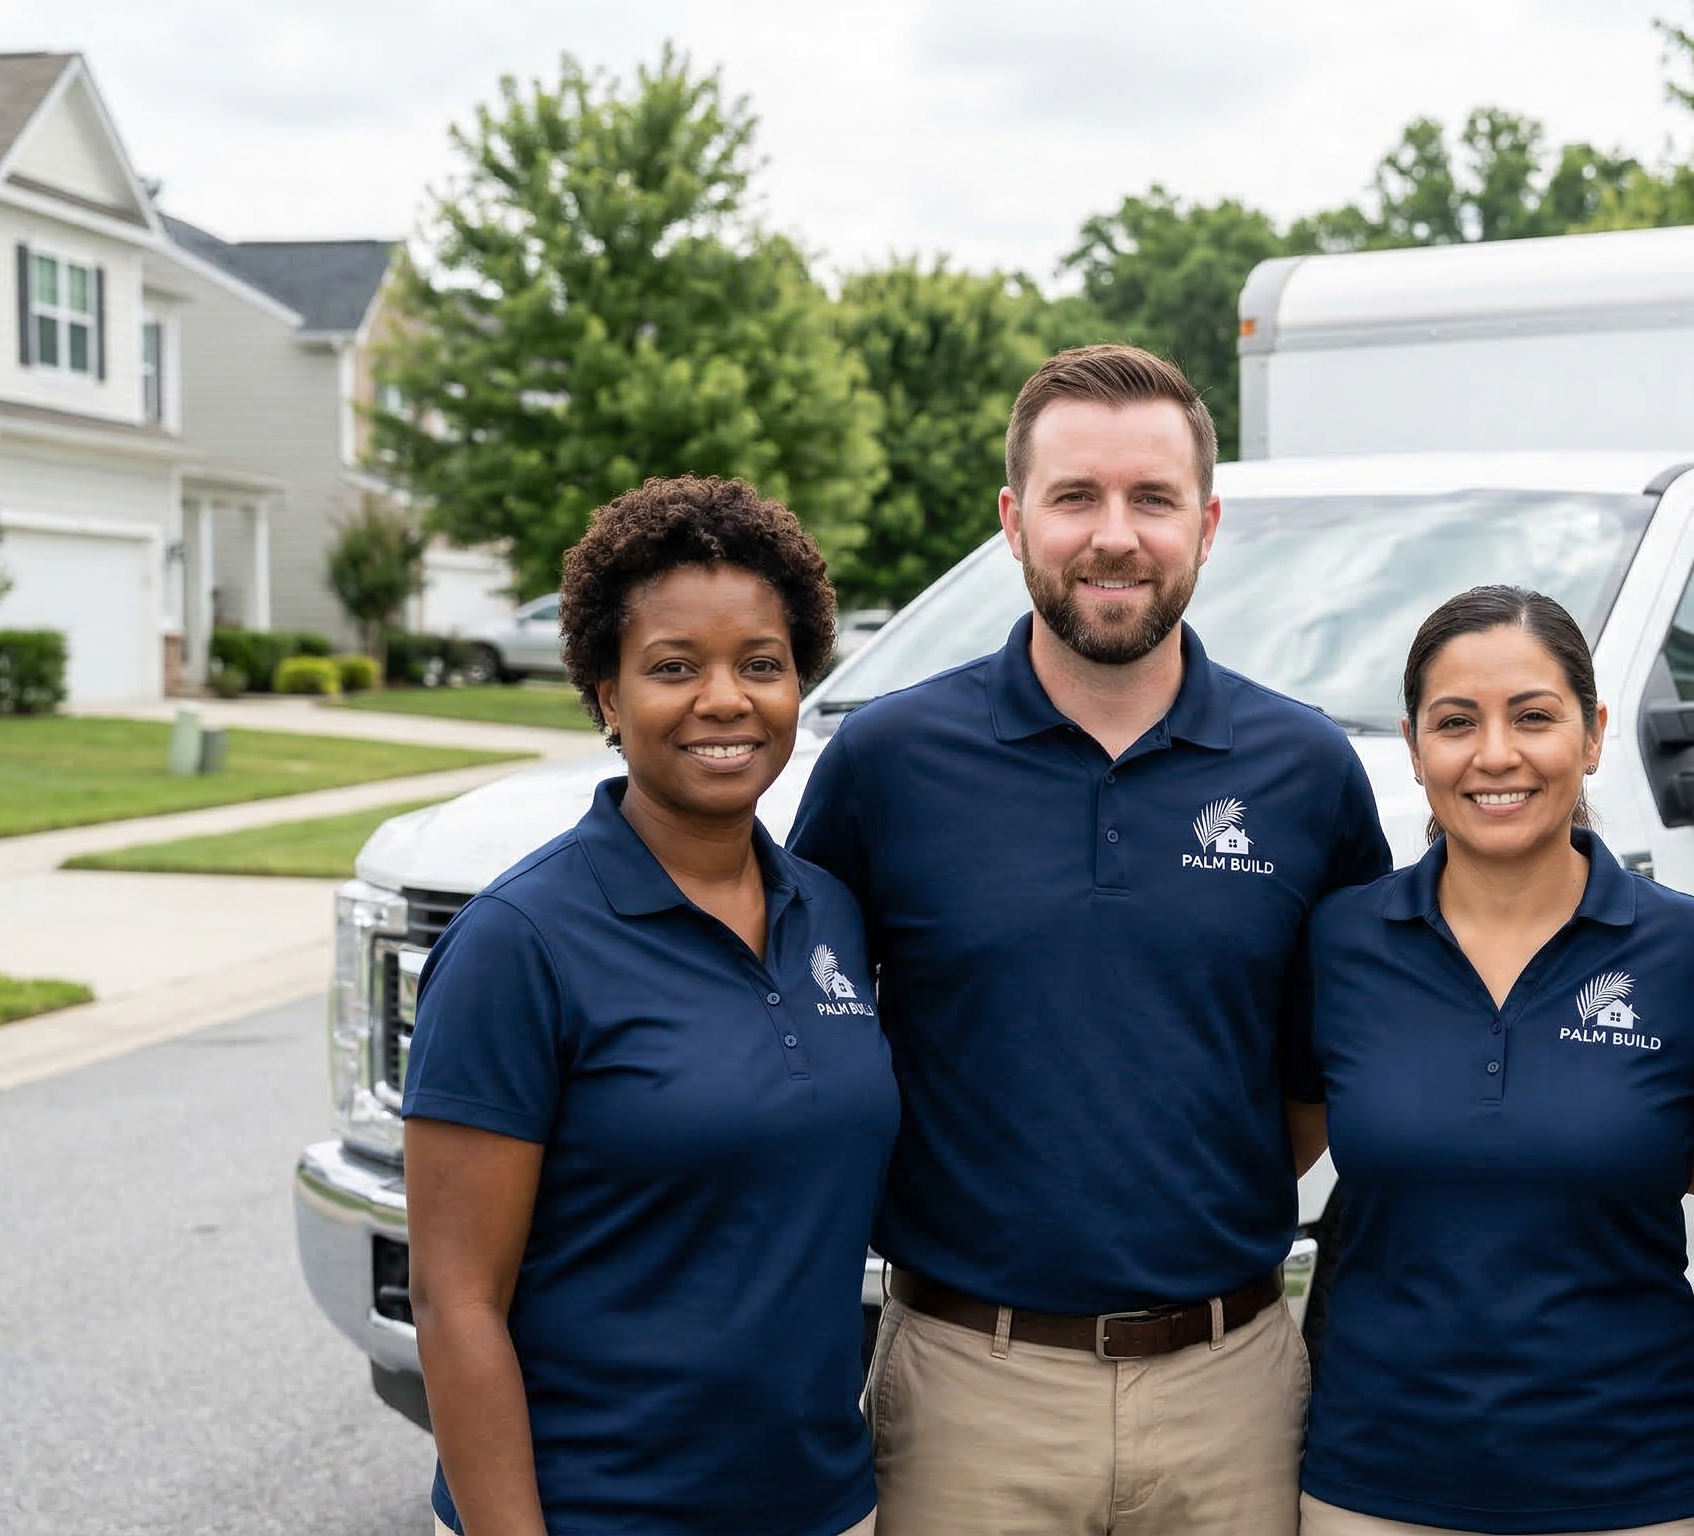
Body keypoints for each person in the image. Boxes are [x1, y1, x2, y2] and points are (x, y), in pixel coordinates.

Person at [789, 343, 1393, 1533]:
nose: (1114, 535)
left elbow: (1329, 1065)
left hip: (1231, 1388)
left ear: (1206, 524)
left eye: (1152, 498)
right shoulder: (886, 765)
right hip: (969, 1386)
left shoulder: (1305, 773)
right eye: (1075, 497)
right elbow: (797, 1037)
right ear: (1014, 521)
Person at [401, 477, 895, 1536]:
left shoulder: (830, 915)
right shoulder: (519, 944)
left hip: (821, 1504)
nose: (725, 699)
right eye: (674, 667)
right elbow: (456, 1304)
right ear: (608, 695)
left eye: (760, 665)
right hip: (599, 1512)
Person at [1287, 586, 1694, 1536]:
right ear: (1414, 749)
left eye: (1534, 716)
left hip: (1635, 1488)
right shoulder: (1337, 944)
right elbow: (1280, 1147)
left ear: (1591, 733)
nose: (1496, 755)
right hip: (1374, 1486)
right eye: (1457, 723)